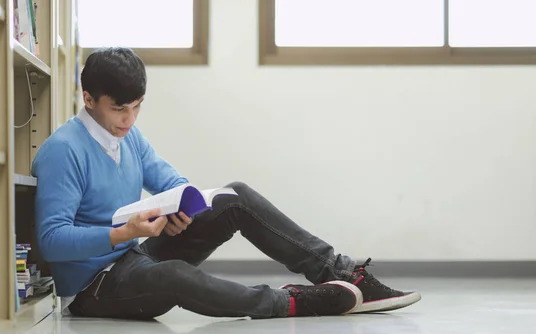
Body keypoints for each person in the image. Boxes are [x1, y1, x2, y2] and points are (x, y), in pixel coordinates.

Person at [31, 48, 421, 320]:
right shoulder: (63, 151)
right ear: (88, 98)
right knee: (175, 275)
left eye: (137, 107)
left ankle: (342, 272)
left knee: (234, 196)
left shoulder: (126, 135)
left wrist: (181, 209)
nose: (129, 119)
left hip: (134, 256)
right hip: (93, 289)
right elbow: (52, 240)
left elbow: (172, 180)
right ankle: (289, 303)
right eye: (119, 109)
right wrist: (122, 234)